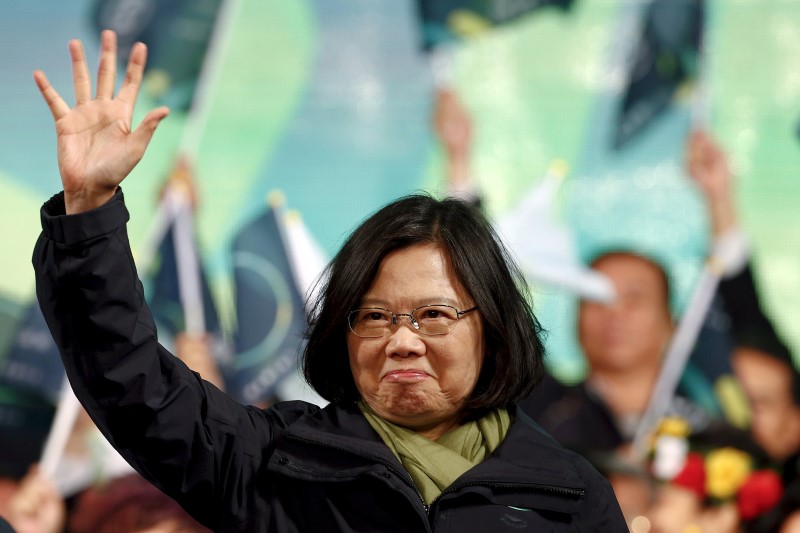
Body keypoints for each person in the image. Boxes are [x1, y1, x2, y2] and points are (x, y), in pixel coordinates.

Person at [31, 31, 625, 532]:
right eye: (373, 316)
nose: (402, 339)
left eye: (434, 315)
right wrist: (89, 209)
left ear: (492, 329)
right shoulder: (281, 463)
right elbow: (131, 383)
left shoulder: (569, 497)